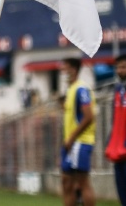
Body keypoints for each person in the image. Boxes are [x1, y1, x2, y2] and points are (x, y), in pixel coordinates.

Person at [61, 57, 97, 206]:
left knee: (82, 182)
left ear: (73, 69)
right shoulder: (71, 89)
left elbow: (89, 116)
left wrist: (72, 138)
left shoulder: (81, 89)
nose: (63, 72)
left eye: (65, 69)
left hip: (79, 142)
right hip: (71, 143)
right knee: (67, 182)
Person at [105, 54, 126, 205]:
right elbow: (115, 118)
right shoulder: (118, 89)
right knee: (122, 193)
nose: (120, 70)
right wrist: (110, 140)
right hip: (118, 150)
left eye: (123, 67)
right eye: (118, 67)